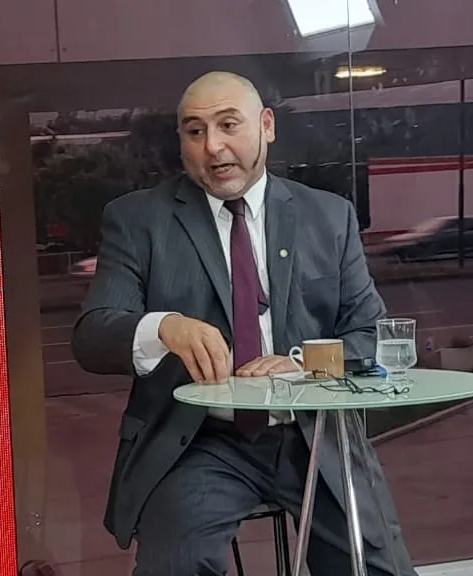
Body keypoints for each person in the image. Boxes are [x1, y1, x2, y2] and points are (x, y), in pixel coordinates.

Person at [71, 70, 418, 576]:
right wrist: (163, 327)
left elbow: (368, 335)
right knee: (178, 566)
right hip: (200, 442)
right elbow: (93, 334)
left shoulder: (328, 217)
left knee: (373, 568)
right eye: (195, 131)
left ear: (267, 126)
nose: (213, 147)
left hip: (314, 435)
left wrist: (302, 364)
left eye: (229, 125)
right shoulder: (139, 220)